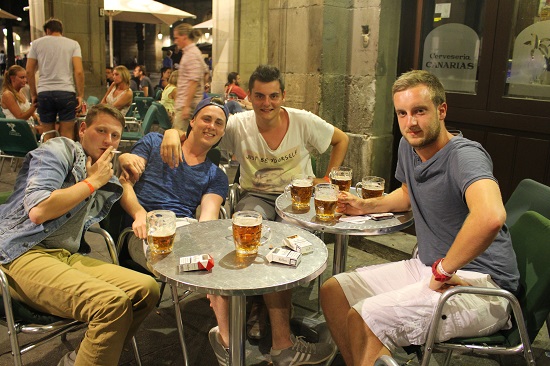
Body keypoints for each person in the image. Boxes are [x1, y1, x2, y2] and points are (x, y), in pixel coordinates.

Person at [320, 70, 519, 366]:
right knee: (333, 291)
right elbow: (408, 192)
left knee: (367, 317)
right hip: (429, 266)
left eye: (419, 111)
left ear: (441, 110)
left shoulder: (464, 156)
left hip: (482, 285)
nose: (410, 122)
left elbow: (490, 215)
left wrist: (443, 270)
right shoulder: (409, 146)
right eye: (402, 113)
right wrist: (364, 206)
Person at [161, 64, 347, 366]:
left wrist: (327, 178)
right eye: (259, 96)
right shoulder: (238, 124)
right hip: (256, 196)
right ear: (249, 96)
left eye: (274, 96)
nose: (267, 103)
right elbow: (205, 131)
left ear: (283, 95)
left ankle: (276, 334)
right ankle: (273, 332)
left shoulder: (303, 121)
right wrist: (172, 131)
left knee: (285, 247)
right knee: (249, 238)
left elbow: (342, 140)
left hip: (296, 200)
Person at [0, 104, 160, 366]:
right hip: (21, 253)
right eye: (101, 131)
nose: (108, 140)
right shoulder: (60, 149)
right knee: (112, 304)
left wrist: (140, 213)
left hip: (65, 255)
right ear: (83, 129)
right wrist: (92, 182)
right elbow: (39, 211)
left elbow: (122, 186)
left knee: (146, 289)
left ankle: (81, 359)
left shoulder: (100, 165)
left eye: (115, 136)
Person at [118, 97, 229, 271]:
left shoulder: (216, 176)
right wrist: (140, 214)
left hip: (184, 229)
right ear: (192, 121)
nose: (211, 126)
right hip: (144, 232)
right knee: (185, 264)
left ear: (223, 132)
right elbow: (125, 183)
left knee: (222, 262)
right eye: (206, 119)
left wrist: (208, 244)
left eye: (218, 123)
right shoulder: (154, 142)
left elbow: (208, 218)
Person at [26, 18, 84, 140]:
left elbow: (29, 71)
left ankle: (49, 158)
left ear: (47, 30)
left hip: (44, 92)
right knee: (67, 134)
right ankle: (66, 158)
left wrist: (33, 94)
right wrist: (80, 94)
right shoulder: (73, 44)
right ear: (61, 30)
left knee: (47, 134)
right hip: (66, 91)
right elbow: (78, 71)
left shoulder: (36, 44)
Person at [172, 23, 208, 131]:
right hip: (188, 104)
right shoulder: (194, 53)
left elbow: (193, 81)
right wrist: (201, 91)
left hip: (186, 106)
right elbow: (205, 73)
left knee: (179, 139)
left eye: (176, 38)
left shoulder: (191, 54)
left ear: (184, 37)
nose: (175, 41)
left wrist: (187, 106)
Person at [1, 65, 41, 130]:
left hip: (28, 126)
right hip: (17, 130)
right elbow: (20, 117)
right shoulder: (7, 94)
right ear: (12, 78)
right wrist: (35, 106)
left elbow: (28, 112)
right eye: (22, 78)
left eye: (25, 77)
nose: (25, 80)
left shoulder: (21, 92)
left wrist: (38, 119)